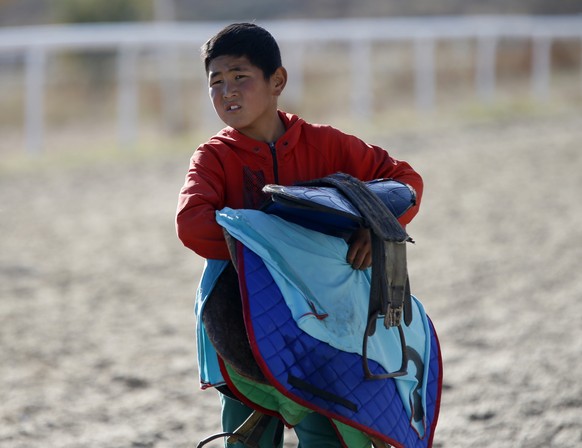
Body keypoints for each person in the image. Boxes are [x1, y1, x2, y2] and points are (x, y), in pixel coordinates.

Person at [176, 22, 424, 448]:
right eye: (215, 82)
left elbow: (403, 181)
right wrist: (277, 245)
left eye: (240, 78)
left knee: (329, 424)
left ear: (278, 81)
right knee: (248, 431)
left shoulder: (326, 145)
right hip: (241, 314)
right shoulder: (214, 157)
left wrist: (378, 226)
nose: (227, 92)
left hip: (326, 314)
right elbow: (191, 222)